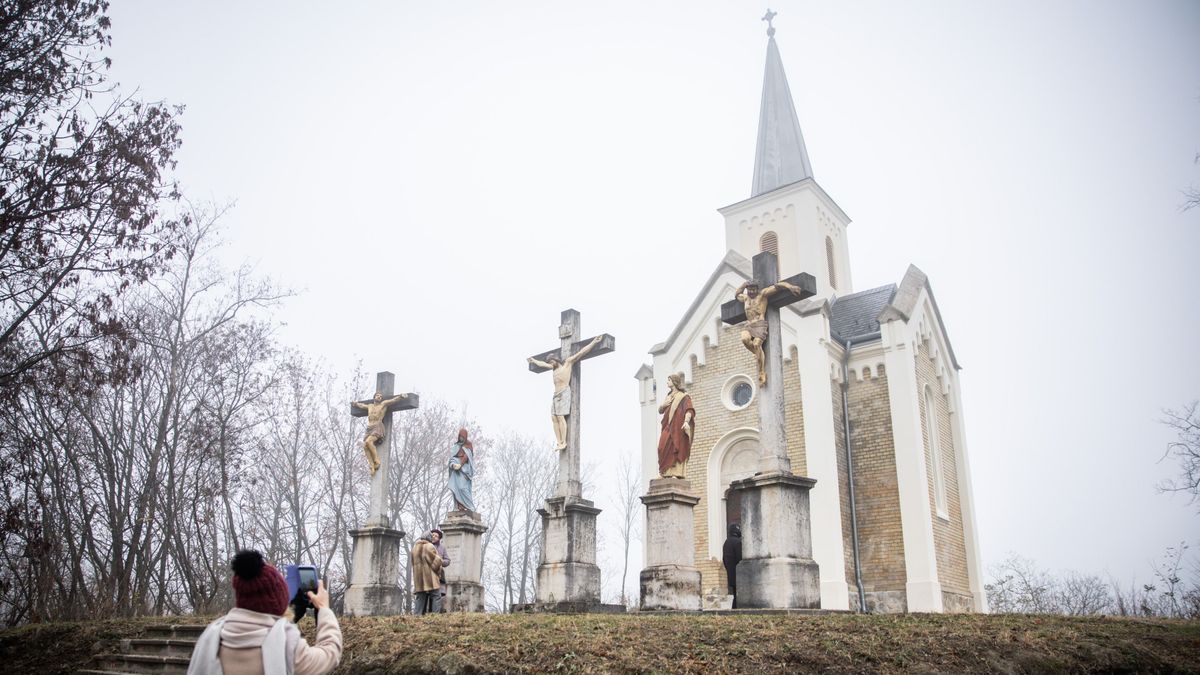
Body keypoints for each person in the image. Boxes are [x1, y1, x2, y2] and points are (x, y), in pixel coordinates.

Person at [188, 549, 342, 675]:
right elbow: (330, 653)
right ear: (279, 600)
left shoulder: (210, 638)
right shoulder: (288, 646)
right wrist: (323, 608)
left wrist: (294, 612)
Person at [527, 335, 603, 450]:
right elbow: (542, 364)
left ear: (556, 360)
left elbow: (581, 353)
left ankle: (564, 442)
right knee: (553, 417)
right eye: (549, 362)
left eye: (552, 361)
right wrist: (533, 360)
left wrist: (594, 342)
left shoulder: (567, 363)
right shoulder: (553, 369)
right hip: (556, 395)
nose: (550, 363)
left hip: (564, 393)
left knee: (560, 416)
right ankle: (559, 442)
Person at [734, 278, 806, 385]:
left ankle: (761, 371)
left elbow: (777, 286)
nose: (752, 292)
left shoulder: (763, 295)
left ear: (757, 289)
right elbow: (736, 294)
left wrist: (790, 287)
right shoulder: (745, 298)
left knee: (756, 344)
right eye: (749, 290)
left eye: (753, 289)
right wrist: (744, 284)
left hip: (760, 324)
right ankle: (758, 354)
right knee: (744, 339)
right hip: (749, 325)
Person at [351, 391, 406, 475]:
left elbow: (393, 400)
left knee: (369, 442)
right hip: (369, 427)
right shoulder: (370, 406)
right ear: (374, 397)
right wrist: (355, 404)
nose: (379, 397)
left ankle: (377, 460)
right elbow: (362, 405)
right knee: (365, 446)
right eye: (377, 395)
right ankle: (371, 466)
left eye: (380, 396)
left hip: (377, 426)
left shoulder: (383, 404)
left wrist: (401, 397)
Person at [656, 372, 695, 479]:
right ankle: (664, 472)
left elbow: (689, 410)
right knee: (661, 447)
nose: (667, 382)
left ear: (674, 382)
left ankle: (676, 473)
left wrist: (686, 421)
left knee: (676, 447)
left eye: (669, 380)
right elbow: (660, 410)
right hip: (667, 426)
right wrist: (663, 405)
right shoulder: (668, 396)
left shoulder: (684, 397)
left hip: (678, 427)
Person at [411, 532, 443, 615]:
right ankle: (435, 615)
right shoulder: (429, 546)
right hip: (429, 577)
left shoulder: (415, 548)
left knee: (420, 597)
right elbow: (436, 562)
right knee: (436, 596)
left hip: (418, 577)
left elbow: (413, 563)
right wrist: (439, 571)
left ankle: (417, 616)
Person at [447, 429, 476, 512]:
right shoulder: (456, 446)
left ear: (465, 437)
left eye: (463, 437)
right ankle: (459, 506)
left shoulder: (468, 445)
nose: (461, 438)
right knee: (456, 488)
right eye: (460, 437)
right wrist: (453, 465)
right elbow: (452, 458)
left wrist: (460, 464)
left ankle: (470, 506)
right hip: (456, 471)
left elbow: (467, 456)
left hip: (464, 470)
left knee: (463, 488)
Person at [722, 523, 743, 609]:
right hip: (739, 573)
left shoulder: (726, 542)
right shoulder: (738, 542)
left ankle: (734, 609)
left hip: (731, 573)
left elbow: (724, 559)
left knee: (735, 594)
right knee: (739, 595)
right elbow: (740, 558)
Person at [430, 527, 450, 611]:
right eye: (433, 535)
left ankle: (434, 613)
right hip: (427, 574)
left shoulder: (442, 548)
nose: (434, 537)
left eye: (436, 536)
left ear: (439, 538)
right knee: (426, 594)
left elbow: (447, 560)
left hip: (438, 574)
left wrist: (441, 561)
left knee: (437, 595)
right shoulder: (426, 546)